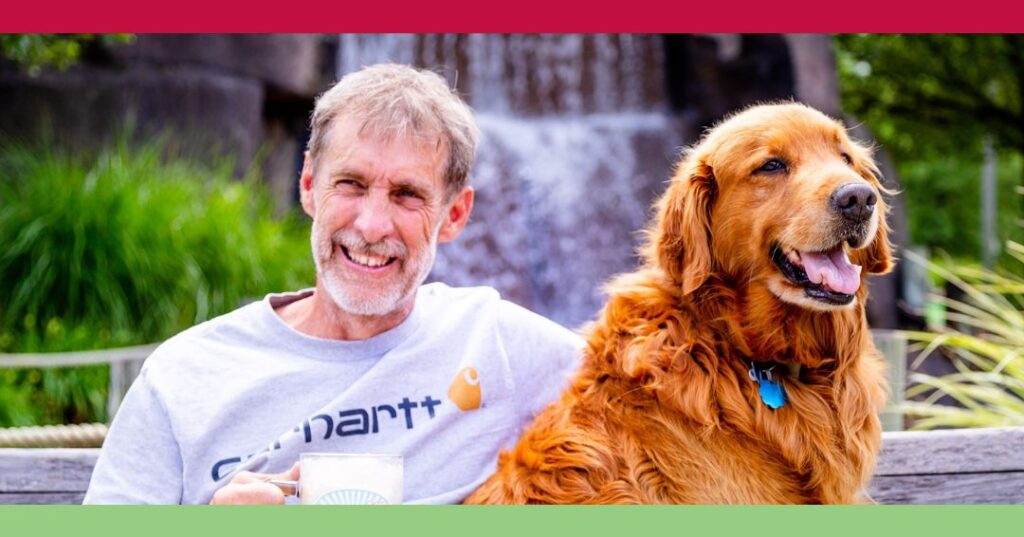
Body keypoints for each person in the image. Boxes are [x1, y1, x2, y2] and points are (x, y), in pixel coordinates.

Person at [83, 64, 583, 505]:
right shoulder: (183, 378)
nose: (371, 225)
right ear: (308, 186)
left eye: (407, 195)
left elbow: (650, 385)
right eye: (351, 184)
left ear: (454, 214)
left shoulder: (502, 346)